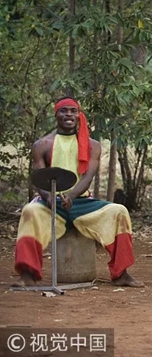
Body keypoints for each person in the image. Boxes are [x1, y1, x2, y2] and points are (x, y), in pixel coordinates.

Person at [13, 98, 143, 287]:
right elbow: (39, 177)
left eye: (73, 111)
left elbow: (88, 177)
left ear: (79, 115)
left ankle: (121, 273)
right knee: (30, 211)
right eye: (63, 110)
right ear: (56, 114)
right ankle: (27, 275)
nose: (69, 114)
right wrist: (48, 197)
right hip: (51, 202)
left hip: (81, 202)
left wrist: (72, 196)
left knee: (119, 212)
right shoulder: (42, 144)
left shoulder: (93, 145)